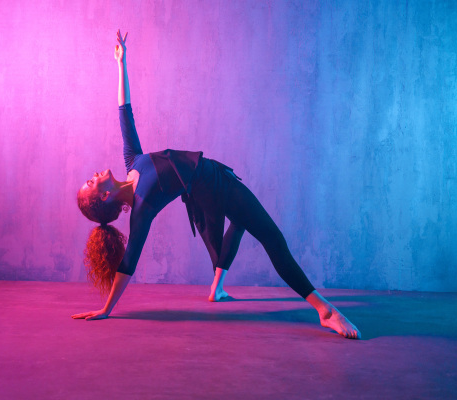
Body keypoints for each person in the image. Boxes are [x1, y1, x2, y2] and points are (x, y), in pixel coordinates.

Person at [72, 30, 361, 340]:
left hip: (203, 192)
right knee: (272, 238)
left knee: (239, 223)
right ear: (104, 195)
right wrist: (106, 309)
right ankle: (324, 310)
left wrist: (121, 63)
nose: (93, 173)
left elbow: (124, 112)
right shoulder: (141, 208)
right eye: (90, 182)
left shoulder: (132, 163)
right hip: (216, 187)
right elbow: (129, 262)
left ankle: (217, 287)